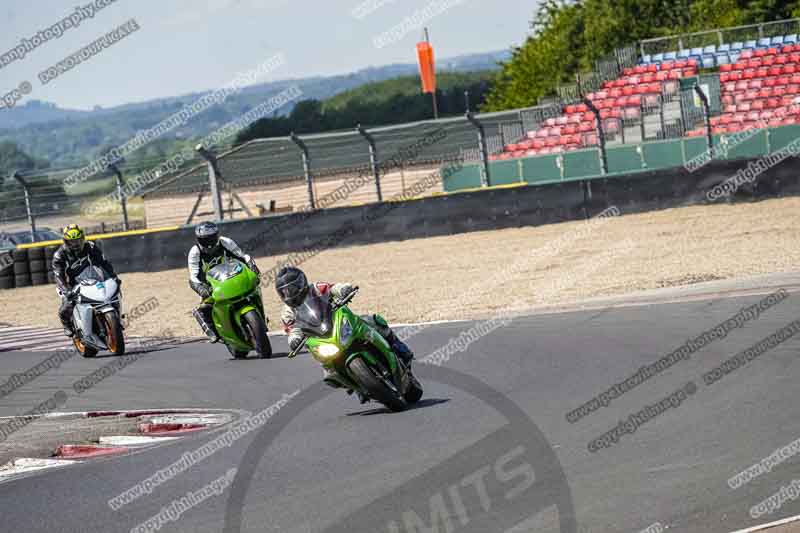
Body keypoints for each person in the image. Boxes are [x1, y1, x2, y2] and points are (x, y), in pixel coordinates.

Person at [275, 266, 414, 402]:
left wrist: (344, 289)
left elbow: (333, 288)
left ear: (301, 282)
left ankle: (398, 347)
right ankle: (358, 385)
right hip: (319, 337)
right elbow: (291, 329)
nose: (289, 294)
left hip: (336, 322)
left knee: (373, 321)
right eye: (284, 292)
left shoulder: (316, 288)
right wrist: (294, 339)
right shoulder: (287, 312)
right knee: (328, 374)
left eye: (291, 288)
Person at [188, 221, 260, 342]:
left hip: (233, 276)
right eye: (205, 240)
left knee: (254, 288)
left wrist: (252, 266)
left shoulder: (225, 242)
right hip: (211, 287)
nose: (209, 244)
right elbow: (193, 276)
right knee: (204, 308)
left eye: (211, 239)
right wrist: (202, 289)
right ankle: (213, 332)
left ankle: (260, 316)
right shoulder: (195, 252)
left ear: (217, 236)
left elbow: (242, 256)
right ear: (198, 239)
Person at [52, 224, 119, 337]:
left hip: (91, 279)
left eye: (78, 240)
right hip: (70, 283)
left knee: (112, 294)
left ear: (82, 238)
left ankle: (116, 320)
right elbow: (58, 275)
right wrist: (67, 290)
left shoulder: (91, 247)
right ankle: (67, 324)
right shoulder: (59, 255)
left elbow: (104, 263)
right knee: (68, 304)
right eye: (72, 242)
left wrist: (113, 277)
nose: (76, 244)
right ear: (66, 242)